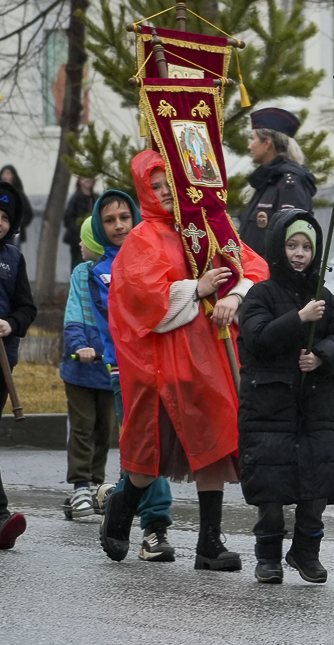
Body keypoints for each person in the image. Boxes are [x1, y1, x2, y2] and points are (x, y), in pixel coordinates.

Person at [99, 150, 269, 570]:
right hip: (162, 364)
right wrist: (197, 287)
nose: (163, 193)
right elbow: (140, 299)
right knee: (152, 450)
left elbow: (254, 267)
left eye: (168, 185)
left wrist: (232, 295)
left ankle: (209, 543)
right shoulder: (142, 239)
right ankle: (122, 508)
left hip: (209, 356)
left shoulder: (209, 226)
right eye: (154, 187)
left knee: (215, 442)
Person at [238, 210, 334, 585]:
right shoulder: (260, 294)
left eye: (307, 247)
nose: (299, 253)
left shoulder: (323, 297)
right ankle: (268, 556)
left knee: (316, 486)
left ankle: (306, 550)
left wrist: (321, 355)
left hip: (315, 408)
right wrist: (299, 318)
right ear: (278, 247)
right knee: (271, 491)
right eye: (292, 245)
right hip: (269, 408)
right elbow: (258, 339)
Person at [86, 188, 177, 561]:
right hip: (126, 367)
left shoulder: (158, 254)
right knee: (146, 447)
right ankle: (155, 529)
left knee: (163, 446)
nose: (119, 225)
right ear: (99, 226)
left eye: (125, 217)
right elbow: (129, 315)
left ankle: (119, 496)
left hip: (167, 364)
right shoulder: (99, 272)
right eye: (109, 220)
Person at [60, 217, 112, 519]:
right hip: (81, 368)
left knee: (105, 430)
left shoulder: (116, 271)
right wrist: (80, 344)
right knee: (83, 426)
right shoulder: (81, 273)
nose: (80, 245)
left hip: (108, 368)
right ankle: (80, 484)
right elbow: (74, 313)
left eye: (84, 240)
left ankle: (96, 484)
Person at [0, 179, 37, 550]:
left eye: (4, 217)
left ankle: (0, 517)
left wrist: (10, 324)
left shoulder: (14, 259)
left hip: (1, 363)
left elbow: (28, 307)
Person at [238, 107, 315, 258]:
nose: (249, 146)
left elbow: (292, 240)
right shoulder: (268, 180)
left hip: (269, 278)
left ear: (267, 143)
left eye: (252, 139)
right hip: (254, 275)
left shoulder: (289, 183)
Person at [63, 176, 97, 272]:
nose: (88, 179)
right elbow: (68, 219)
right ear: (79, 180)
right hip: (77, 240)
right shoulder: (75, 198)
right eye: (84, 177)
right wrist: (79, 230)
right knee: (77, 265)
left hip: (93, 239)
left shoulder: (95, 198)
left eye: (90, 176)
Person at [0, 166, 33, 249]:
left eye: (8, 174)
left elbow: (29, 213)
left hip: (14, 236)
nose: (5, 176)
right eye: (4, 173)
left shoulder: (18, 194)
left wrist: (18, 223)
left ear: (13, 176)